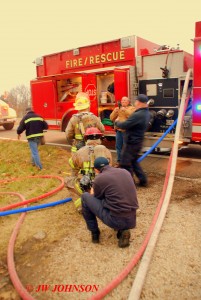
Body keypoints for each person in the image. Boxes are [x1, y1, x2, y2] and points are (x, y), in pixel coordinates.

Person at [81, 157, 139, 248]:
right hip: (132, 219)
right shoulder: (125, 172)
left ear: (96, 170)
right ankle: (123, 230)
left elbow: (96, 197)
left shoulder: (100, 178)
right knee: (116, 199)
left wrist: (93, 188)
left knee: (85, 197)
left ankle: (95, 233)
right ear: (109, 164)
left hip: (115, 220)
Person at [65, 128, 112, 212]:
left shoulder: (80, 152)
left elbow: (72, 166)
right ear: (100, 138)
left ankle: (81, 206)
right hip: (104, 185)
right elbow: (110, 168)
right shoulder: (106, 151)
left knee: (69, 181)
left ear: (86, 139)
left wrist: (76, 177)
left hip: (88, 186)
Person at [115, 94, 150, 186]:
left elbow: (125, 125)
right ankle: (143, 181)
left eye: (136, 101)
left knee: (125, 163)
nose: (135, 103)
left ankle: (129, 184)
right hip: (137, 141)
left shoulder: (138, 114)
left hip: (132, 142)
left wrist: (117, 122)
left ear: (139, 102)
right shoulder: (146, 113)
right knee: (134, 162)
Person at [65, 92, 105, 156]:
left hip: (78, 148)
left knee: (78, 164)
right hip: (92, 148)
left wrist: (76, 138)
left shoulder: (73, 119)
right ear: (88, 106)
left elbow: (68, 134)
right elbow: (102, 130)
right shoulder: (94, 117)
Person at [110, 96, 135, 167]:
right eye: (122, 101)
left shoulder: (132, 108)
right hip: (118, 131)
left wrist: (125, 110)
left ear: (128, 102)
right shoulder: (118, 109)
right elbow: (111, 118)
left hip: (127, 131)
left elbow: (132, 116)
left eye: (125, 101)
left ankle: (127, 162)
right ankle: (119, 161)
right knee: (118, 147)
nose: (123, 102)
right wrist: (115, 111)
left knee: (126, 147)